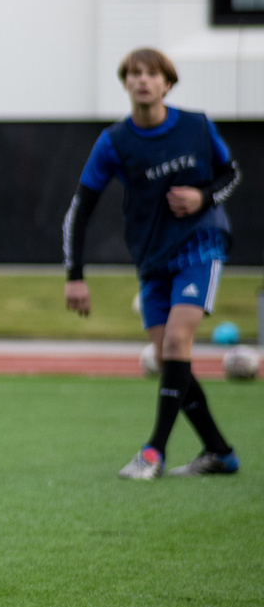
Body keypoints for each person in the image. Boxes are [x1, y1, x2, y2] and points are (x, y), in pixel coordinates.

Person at [64, 48, 242, 479]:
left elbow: (231, 173)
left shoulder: (197, 126)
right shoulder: (114, 142)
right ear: (126, 83)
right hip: (151, 255)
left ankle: (153, 452)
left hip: (201, 246)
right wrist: (75, 277)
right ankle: (220, 452)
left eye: (152, 74)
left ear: (167, 83)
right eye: (135, 74)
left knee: (177, 344)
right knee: (169, 361)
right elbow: (79, 210)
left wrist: (203, 197)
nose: (143, 80)